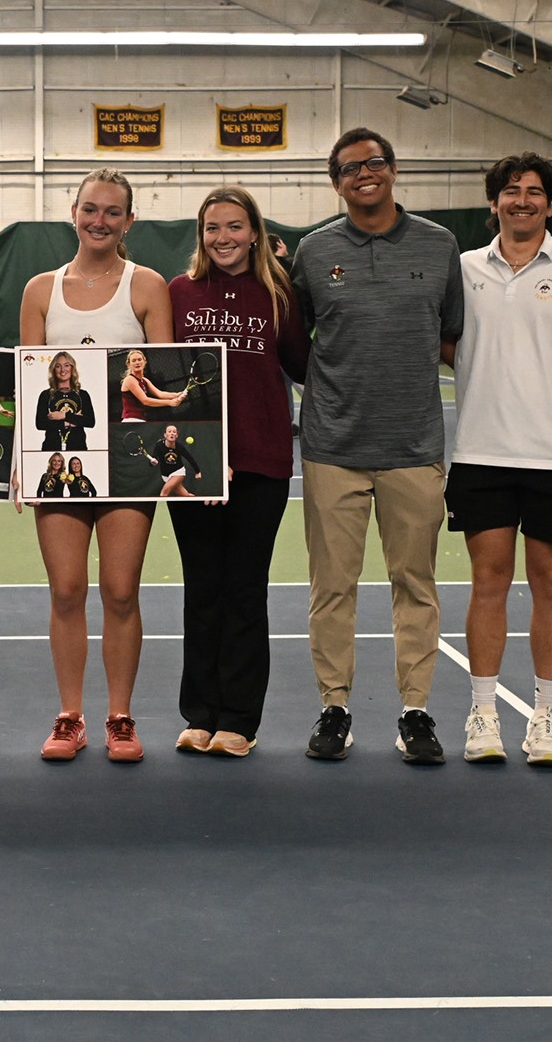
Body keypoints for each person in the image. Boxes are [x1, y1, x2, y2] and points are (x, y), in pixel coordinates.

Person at [290, 127, 464, 764]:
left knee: (415, 583)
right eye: (349, 168)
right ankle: (334, 707)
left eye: (374, 163)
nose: (363, 174)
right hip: (332, 447)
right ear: (335, 183)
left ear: (393, 169)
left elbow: (452, 337)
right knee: (331, 587)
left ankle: (415, 712)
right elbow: (295, 341)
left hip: (414, 448)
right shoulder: (313, 252)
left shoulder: (440, 245)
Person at [448, 152, 552, 768]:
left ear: (551, 203)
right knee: (487, 584)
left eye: (534, 191)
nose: (522, 200)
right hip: (481, 454)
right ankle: (484, 714)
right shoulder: (462, 269)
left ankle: (547, 717)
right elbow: (443, 342)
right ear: (493, 202)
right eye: (511, 191)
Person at [16, 168, 174, 762]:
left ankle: (120, 718)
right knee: (65, 590)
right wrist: (23, 461)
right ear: (74, 213)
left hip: (128, 462)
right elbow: (30, 381)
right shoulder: (40, 290)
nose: (99, 221)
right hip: (60, 458)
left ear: (129, 221)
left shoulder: (147, 285)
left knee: (121, 590)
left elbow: (163, 374)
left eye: (112, 212)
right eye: (90, 209)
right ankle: (69, 716)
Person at [166, 185, 309, 759]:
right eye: (212, 228)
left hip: (260, 462)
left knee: (245, 590)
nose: (222, 237)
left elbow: (301, 364)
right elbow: (165, 374)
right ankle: (199, 714)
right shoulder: (178, 292)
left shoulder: (279, 292)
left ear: (254, 233)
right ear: (200, 235)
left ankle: (239, 721)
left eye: (233, 226)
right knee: (202, 588)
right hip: (194, 466)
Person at [32, 351, 94, 451]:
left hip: (78, 448)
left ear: (72, 368)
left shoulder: (83, 395)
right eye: (58, 366)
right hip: (51, 448)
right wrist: (69, 422)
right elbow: (40, 424)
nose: (62, 370)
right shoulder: (46, 395)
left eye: (66, 365)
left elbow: (90, 421)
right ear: (53, 370)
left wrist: (63, 416)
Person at [117, 348, 185, 420]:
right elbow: (145, 401)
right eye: (134, 360)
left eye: (139, 359)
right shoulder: (130, 380)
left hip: (140, 419)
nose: (137, 362)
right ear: (129, 364)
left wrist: (177, 394)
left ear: (144, 362)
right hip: (131, 419)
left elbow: (160, 394)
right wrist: (170, 402)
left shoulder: (145, 380)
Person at [155, 424, 202, 498]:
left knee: (164, 493)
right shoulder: (159, 445)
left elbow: (190, 458)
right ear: (165, 435)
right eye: (169, 431)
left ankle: (160, 506)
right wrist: (152, 462)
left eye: (174, 432)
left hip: (178, 472)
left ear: (176, 435)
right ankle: (197, 501)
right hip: (165, 475)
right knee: (186, 496)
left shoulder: (179, 447)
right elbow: (154, 457)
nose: (172, 433)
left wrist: (198, 471)